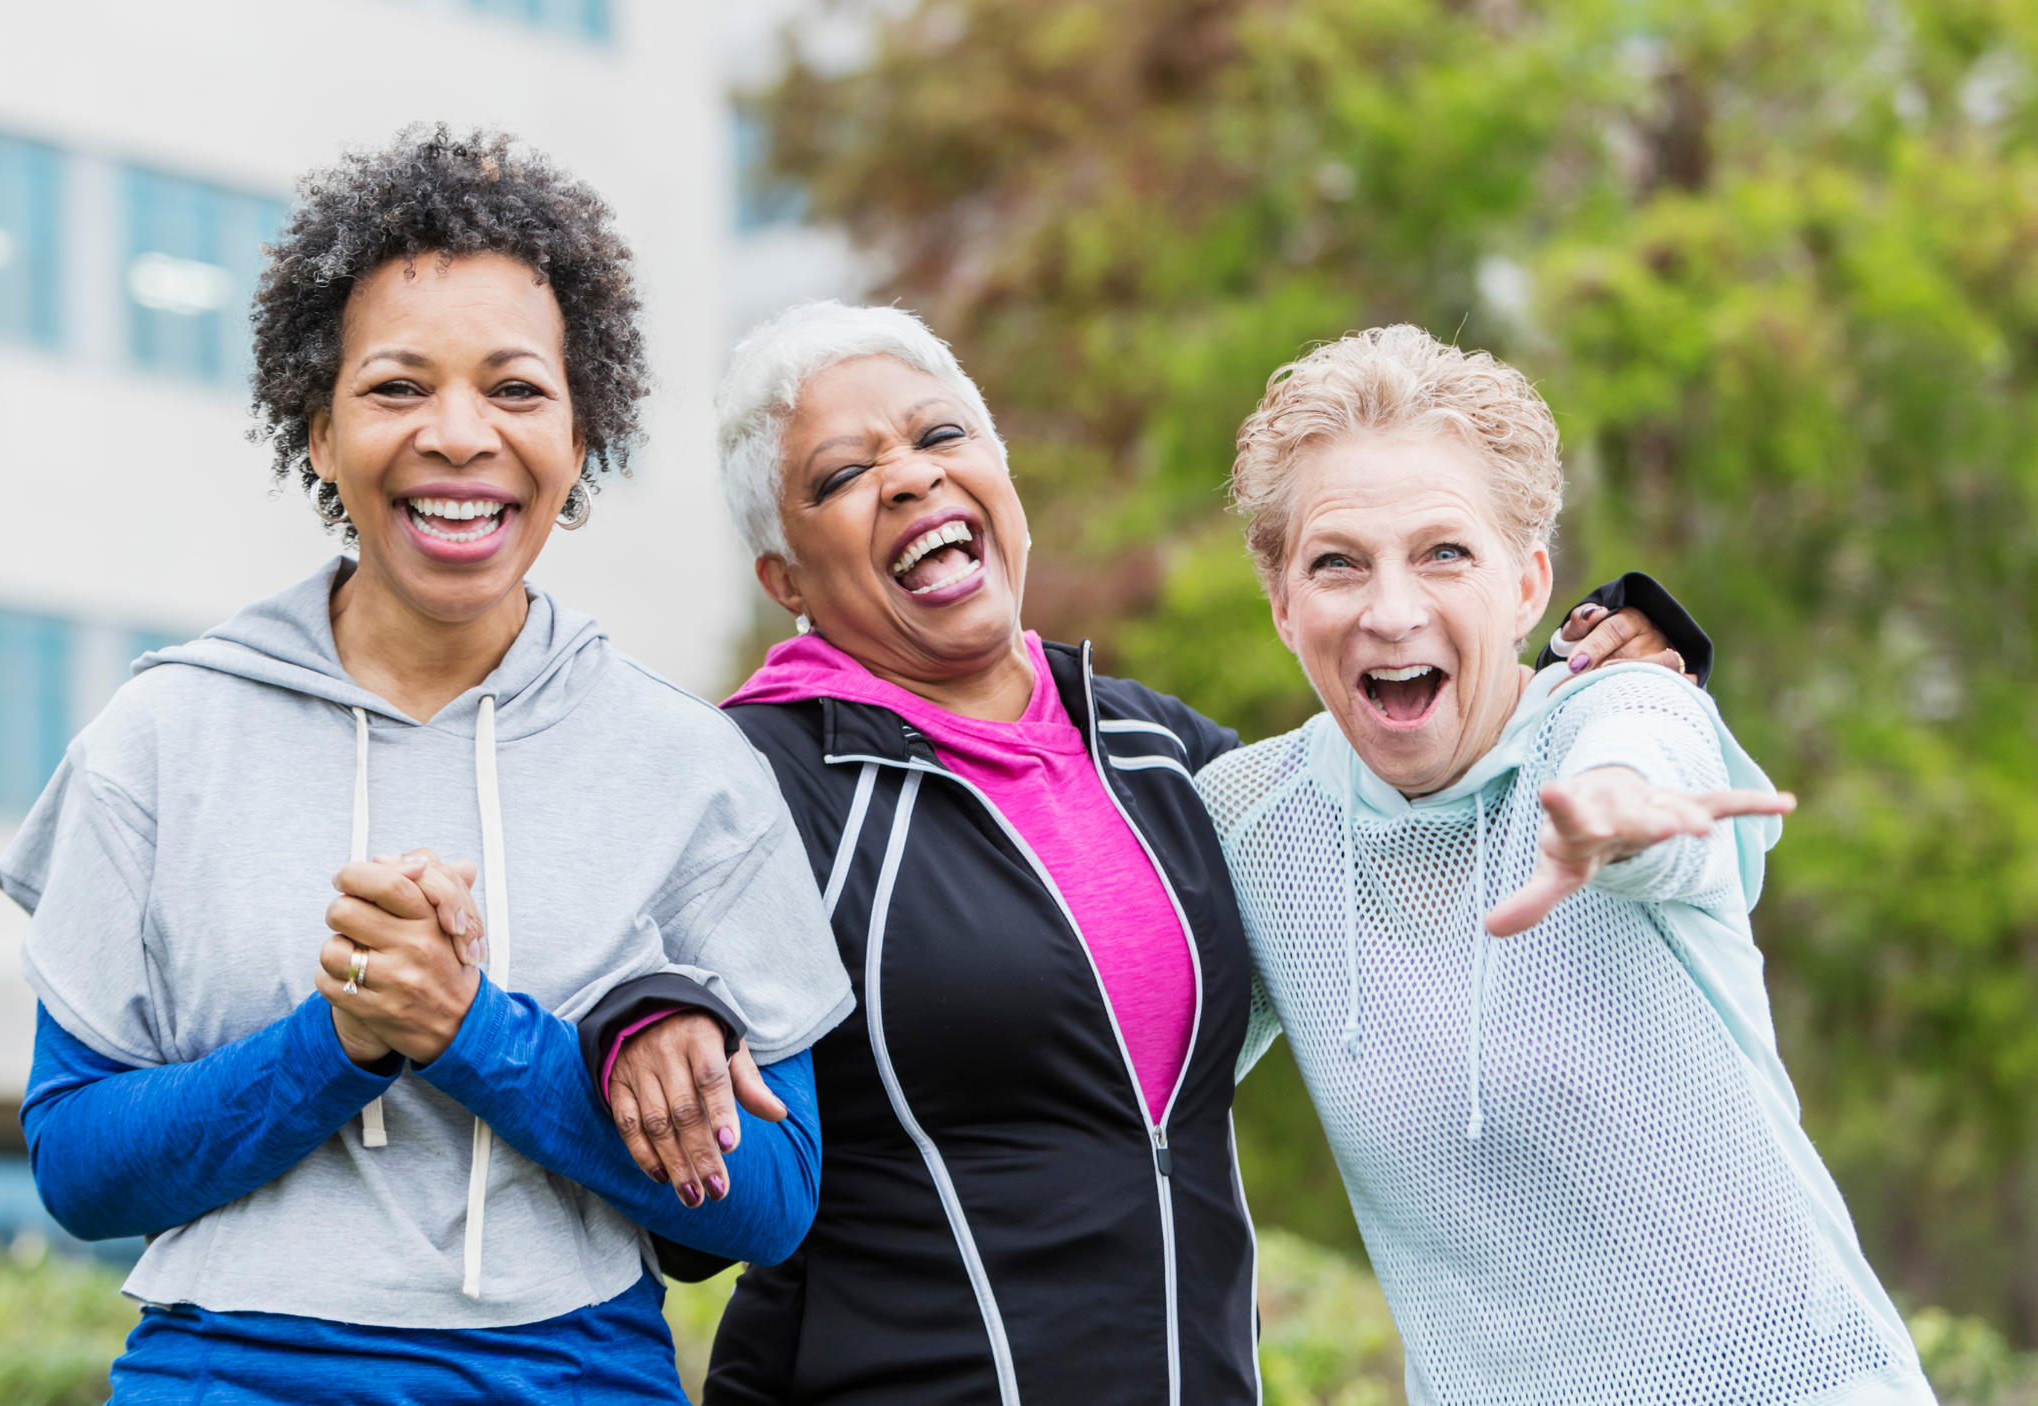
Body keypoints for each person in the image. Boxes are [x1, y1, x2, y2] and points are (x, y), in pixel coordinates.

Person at [588, 302, 1692, 1405]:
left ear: (1002, 479)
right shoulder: (747, 775)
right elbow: (622, 984)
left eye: (939, 437)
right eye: (840, 476)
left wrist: (1610, 672)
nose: (911, 479)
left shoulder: (1164, 754)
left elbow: (1418, 811)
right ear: (784, 578)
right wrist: (644, 1009)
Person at [0, 129, 853, 1406]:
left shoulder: (688, 767)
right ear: (320, 432)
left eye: (516, 389)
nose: (460, 435)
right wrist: (339, 1037)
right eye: (397, 388)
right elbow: (78, 1166)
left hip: (573, 1373)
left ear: (581, 431)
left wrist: (475, 1032)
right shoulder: (163, 735)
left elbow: (774, 1205)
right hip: (227, 1373)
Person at [1197, 324, 1934, 1404]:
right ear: (1280, 603)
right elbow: (1119, 1067)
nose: (1389, 609)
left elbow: (1644, 764)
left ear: (1528, 581)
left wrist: (1616, 813)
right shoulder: (1251, 821)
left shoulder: (1621, 709)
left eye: (1444, 551)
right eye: (1336, 562)